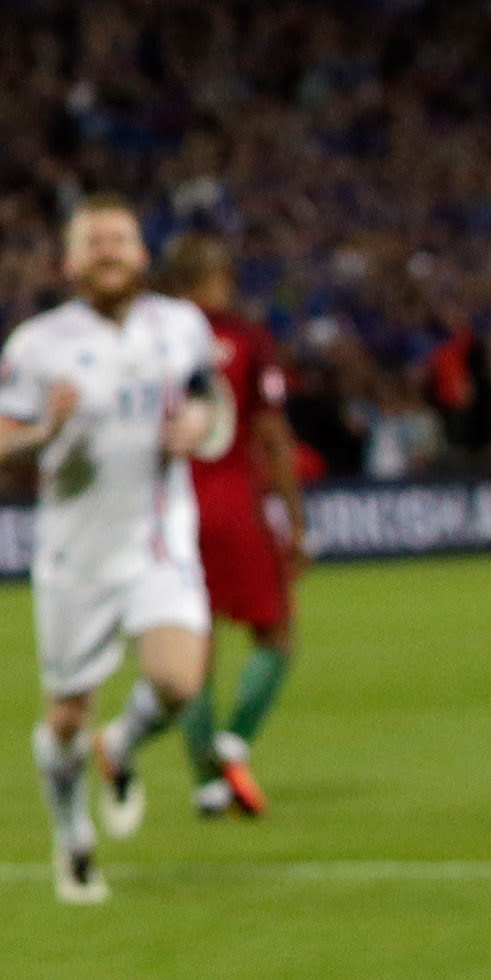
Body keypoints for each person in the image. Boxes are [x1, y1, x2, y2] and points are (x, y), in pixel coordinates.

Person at [0, 199, 230, 905]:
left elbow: (208, 396)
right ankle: (72, 838)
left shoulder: (180, 325)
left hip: (157, 538)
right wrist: (44, 431)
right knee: (65, 715)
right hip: (75, 555)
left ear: (142, 254)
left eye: (120, 239)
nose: (109, 251)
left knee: (178, 681)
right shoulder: (38, 344)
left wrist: (199, 423)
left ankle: (119, 746)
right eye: (94, 243)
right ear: (70, 262)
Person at [156, 236, 299, 817]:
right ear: (214, 278)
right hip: (237, 503)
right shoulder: (246, 338)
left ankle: (208, 786)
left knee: (196, 649)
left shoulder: (153, 342)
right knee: (276, 635)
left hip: (173, 508)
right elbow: (270, 433)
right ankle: (233, 743)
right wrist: (296, 518)